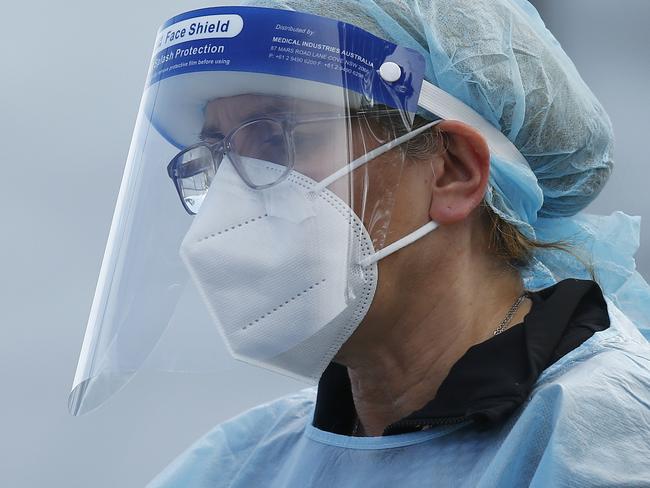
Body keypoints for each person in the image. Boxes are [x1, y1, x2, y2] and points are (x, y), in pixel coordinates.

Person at [69, 0, 650, 486]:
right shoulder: (247, 465)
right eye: (215, 155)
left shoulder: (607, 440)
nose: (227, 202)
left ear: (451, 171)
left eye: (274, 137)